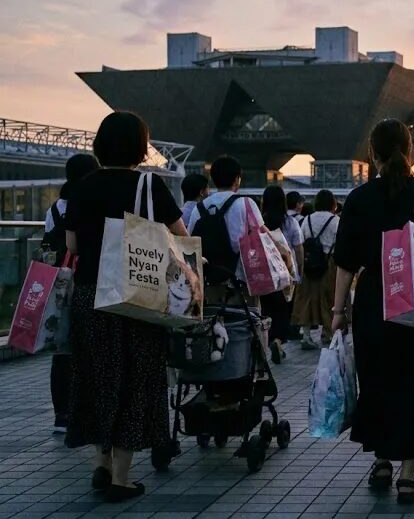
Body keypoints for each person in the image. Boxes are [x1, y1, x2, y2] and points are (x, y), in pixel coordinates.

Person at [330, 119, 414, 504]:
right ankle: (408, 475)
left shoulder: (359, 199)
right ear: (409, 152)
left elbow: (345, 262)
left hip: (375, 303)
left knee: (379, 383)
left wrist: (339, 310)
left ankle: (382, 460)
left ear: (371, 153)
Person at [64, 112, 188, 502]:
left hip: (90, 294)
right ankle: (121, 477)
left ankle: (99, 463)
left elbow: (71, 247)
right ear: (140, 147)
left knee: (97, 376)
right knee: (136, 380)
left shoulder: (82, 186)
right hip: (137, 295)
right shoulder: (150, 187)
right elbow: (182, 238)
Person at [42, 153, 100, 435]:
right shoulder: (91, 203)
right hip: (89, 280)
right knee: (91, 345)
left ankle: (61, 414)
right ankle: (89, 408)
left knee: (63, 349)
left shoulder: (55, 208)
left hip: (59, 284)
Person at [186, 156, 266, 307]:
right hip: (241, 279)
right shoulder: (246, 203)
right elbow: (263, 236)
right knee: (244, 324)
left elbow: (190, 242)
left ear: (213, 179)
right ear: (237, 179)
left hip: (210, 279)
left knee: (214, 323)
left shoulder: (200, 208)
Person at [260, 185, 304, 364]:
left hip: (264, 273)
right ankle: (278, 340)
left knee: (266, 309)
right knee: (284, 310)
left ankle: (269, 339)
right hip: (285, 274)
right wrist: (299, 272)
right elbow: (299, 249)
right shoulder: (290, 222)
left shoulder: (260, 222)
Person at [294, 190, 340, 350]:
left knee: (307, 299)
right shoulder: (336, 221)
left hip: (309, 264)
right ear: (332, 203)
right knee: (329, 300)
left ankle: (306, 335)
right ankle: (328, 334)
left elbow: (303, 238)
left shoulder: (307, 220)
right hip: (330, 264)